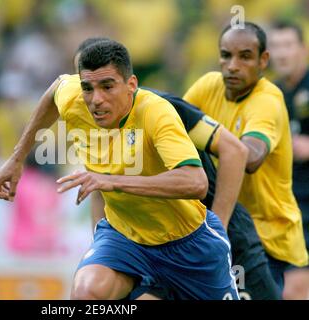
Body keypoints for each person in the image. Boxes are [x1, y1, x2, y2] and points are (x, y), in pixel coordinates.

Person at [0, 39, 239, 300]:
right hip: (125, 238)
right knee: (87, 292)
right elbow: (55, 91)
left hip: (189, 245)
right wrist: (17, 159)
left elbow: (196, 182)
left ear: (131, 84)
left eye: (108, 86)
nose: (96, 99)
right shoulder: (75, 97)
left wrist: (112, 181)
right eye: (88, 88)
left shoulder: (156, 112)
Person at [74, 37, 280, 299]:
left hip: (210, 234)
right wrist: (102, 245)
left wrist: (220, 227)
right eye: (83, 84)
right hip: (152, 245)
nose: (93, 96)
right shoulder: (94, 119)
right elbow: (100, 185)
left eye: (104, 84)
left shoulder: (161, 108)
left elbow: (235, 151)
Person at [184, 22, 309, 294]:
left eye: (245, 56)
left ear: (264, 60)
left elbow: (249, 157)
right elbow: (175, 128)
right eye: (226, 55)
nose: (232, 65)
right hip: (228, 228)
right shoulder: (207, 85)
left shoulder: (268, 99)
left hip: (268, 235)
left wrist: (215, 142)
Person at [269, 20, 309, 299]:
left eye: (288, 45)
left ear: (303, 49)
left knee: (295, 288)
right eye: (276, 47)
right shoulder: (270, 94)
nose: (282, 53)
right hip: (284, 206)